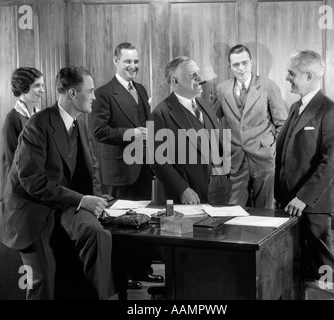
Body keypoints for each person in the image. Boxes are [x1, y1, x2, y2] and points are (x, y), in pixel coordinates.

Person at [0, 66, 114, 299]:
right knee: (43, 283)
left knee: (99, 236)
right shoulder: (38, 124)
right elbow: (32, 181)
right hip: (30, 214)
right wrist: (82, 200)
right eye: (90, 91)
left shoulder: (78, 123)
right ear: (72, 94)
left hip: (58, 207)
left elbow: (91, 168)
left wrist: (96, 201)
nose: (95, 97)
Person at [90, 42, 163, 289]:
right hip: (119, 172)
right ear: (115, 61)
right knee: (120, 227)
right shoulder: (102, 93)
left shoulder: (141, 89)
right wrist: (130, 133)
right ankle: (124, 277)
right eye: (127, 62)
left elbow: (149, 128)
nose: (133, 66)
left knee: (143, 222)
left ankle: (142, 270)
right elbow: (98, 131)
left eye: (136, 61)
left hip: (142, 168)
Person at [275, 50, 334, 283]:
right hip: (290, 203)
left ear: (308, 75)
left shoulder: (330, 111)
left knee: (322, 265)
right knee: (300, 265)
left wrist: (303, 198)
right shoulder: (296, 107)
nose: (287, 78)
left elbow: (331, 162)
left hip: (312, 205)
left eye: (291, 73)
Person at [214, 44, 287, 208]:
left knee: (266, 211)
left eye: (245, 63)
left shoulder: (268, 86)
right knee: (233, 212)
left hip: (264, 159)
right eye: (236, 65)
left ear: (252, 62)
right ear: (229, 66)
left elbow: (282, 124)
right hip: (235, 160)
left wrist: (273, 151)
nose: (241, 68)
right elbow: (211, 122)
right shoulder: (221, 89)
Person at [150, 56, 229, 205]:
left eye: (198, 72)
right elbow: (157, 161)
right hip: (186, 198)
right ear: (175, 81)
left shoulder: (205, 105)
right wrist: (182, 189)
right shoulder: (160, 113)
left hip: (216, 193)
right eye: (192, 75)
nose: (199, 78)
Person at [2, 67, 45, 187]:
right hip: (20, 186)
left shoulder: (40, 116)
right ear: (24, 87)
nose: (42, 90)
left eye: (42, 85)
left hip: (38, 182)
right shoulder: (13, 119)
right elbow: (12, 161)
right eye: (37, 86)